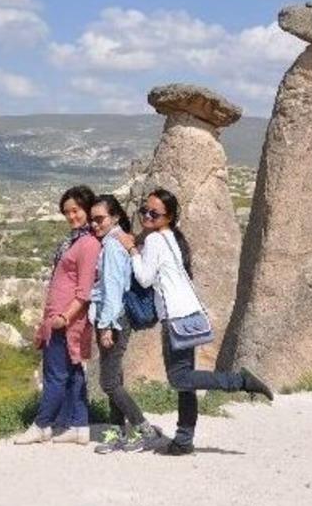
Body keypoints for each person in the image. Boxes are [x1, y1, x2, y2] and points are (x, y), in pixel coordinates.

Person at [120, 189, 273, 456]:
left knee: (179, 378)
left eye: (153, 213)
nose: (146, 216)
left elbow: (144, 278)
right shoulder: (171, 238)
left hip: (175, 317)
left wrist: (132, 249)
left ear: (168, 217)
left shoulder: (156, 240)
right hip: (189, 313)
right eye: (145, 211)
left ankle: (239, 381)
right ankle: (183, 439)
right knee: (186, 381)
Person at [15, 185, 102, 446]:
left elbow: (84, 290)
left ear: (87, 209)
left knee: (55, 374)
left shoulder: (86, 244)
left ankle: (42, 424)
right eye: (67, 212)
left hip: (66, 319)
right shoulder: (77, 240)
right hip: (62, 316)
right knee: (74, 372)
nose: (72, 216)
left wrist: (64, 317)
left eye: (76, 210)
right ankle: (78, 424)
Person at [88, 194, 159, 454]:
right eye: (92, 220)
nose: (95, 224)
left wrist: (106, 325)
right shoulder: (112, 242)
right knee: (114, 378)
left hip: (114, 320)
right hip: (113, 318)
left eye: (100, 219)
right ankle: (115, 434)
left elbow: (113, 289)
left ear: (115, 217)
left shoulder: (113, 247)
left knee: (108, 383)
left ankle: (144, 429)